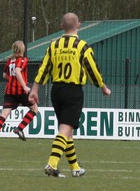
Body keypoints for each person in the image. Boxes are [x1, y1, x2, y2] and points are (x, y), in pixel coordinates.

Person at [29, 13, 111, 177]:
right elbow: (92, 69)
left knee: (68, 131)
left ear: (61, 26)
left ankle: (75, 168)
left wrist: (35, 90)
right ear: (79, 25)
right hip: (73, 91)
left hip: (56, 90)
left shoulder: (54, 45)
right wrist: (103, 87)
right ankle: (52, 163)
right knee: (65, 129)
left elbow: (44, 68)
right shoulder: (82, 46)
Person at [0, 40, 39, 148]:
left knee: (4, 115)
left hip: (9, 92)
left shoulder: (9, 60)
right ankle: (19, 128)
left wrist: (13, 79)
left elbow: (4, 75)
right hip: (21, 91)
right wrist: (24, 85)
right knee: (34, 109)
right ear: (23, 49)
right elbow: (17, 71)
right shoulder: (23, 60)